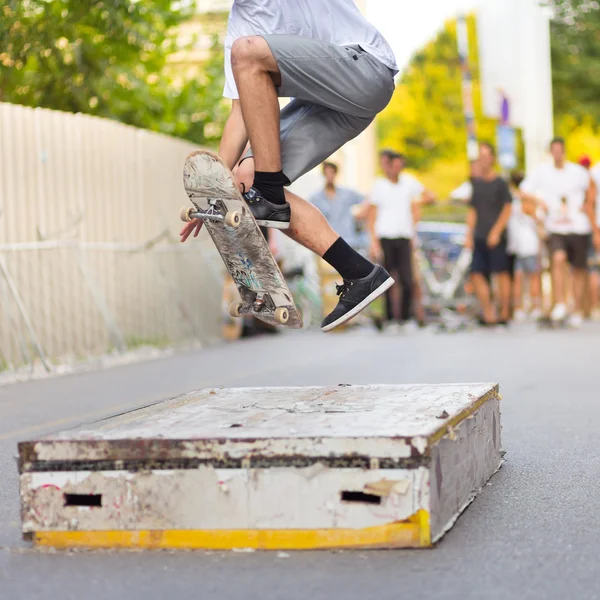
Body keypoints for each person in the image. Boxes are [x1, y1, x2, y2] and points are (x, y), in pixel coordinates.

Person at [179, 0, 397, 332]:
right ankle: (359, 272)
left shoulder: (246, 44)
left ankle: (269, 193)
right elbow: (243, 110)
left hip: (365, 68)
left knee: (247, 53)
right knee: (243, 179)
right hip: (332, 106)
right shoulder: (242, 22)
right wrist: (213, 192)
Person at [520, 137, 595, 327]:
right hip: (556, 226)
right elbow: (523, 191)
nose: (557, 154)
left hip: (578, 226)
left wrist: (587, 206)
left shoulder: (577, 172)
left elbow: (592, 187)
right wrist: (539, 203)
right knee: (558, 259)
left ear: (564, 151)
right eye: (553, 150)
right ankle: (560, 303)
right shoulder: (543, 171)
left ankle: (576, 308)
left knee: (578, 269)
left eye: (559, 150)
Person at [367, 149, 433, 330]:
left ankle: (405, 317)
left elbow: (430, 196)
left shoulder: (408, 183)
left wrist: (416, 202)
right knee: (387, 278)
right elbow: (371, 215)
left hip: (404, 236)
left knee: (407, 278)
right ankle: (389, 319)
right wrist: (373, 241)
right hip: (385, 236)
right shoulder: (379, 186)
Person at [465, 142, 512, 326]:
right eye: (480, 157)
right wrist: (469, 234)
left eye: (486, 156)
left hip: (496, 235)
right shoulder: (476, 184)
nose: (483, 160)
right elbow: (473, 211)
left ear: (492, 158)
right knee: (476, 273)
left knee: (501, 273)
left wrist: (497, 231)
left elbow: (507, 208)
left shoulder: (500, 183)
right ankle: (488, 312)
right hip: (479, 235)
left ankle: (505, 311)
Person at [309, 162, 368, 254]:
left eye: (331, 173)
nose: (329, 176)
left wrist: (360, 214)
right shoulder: (316, 198)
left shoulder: (347, 193)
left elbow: (367, 200)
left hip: (348, 241)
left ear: (335, 174)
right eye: (327, 173)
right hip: (327, 243)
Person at [507, 171, 543, 321]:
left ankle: (529, 307)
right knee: (523, 276)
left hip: (526, 244)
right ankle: (523, 307)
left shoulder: (520, 200)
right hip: (521, 244)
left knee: (525, 276)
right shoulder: (520, 199)